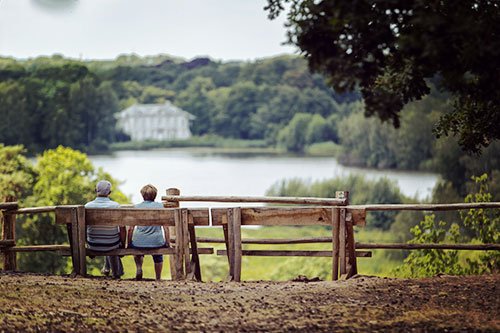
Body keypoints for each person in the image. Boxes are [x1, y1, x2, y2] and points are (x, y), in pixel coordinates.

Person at [128, 184, 170, 281]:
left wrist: (129, 244)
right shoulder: (160, 206)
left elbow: (130, 229)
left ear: (142, 195)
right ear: (155, 195)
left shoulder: (136, 207)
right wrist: (167, 243)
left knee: (137, 250)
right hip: (156, 242)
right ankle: (158, 278)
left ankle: (139, 267)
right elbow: (166, 228)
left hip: (139, 242)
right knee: (158, 255)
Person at [85, 180, 126, 279]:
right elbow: (123, 229)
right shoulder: (116, 206)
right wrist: (123, 246)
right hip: (111, 244)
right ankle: (116, 273)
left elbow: (83, 229)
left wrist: (86, 244)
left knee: (106, 237)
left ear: (95, 190)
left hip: (93, 244)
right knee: (112, 240)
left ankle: (107, 268)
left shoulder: (87, 206)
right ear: (109, 193)